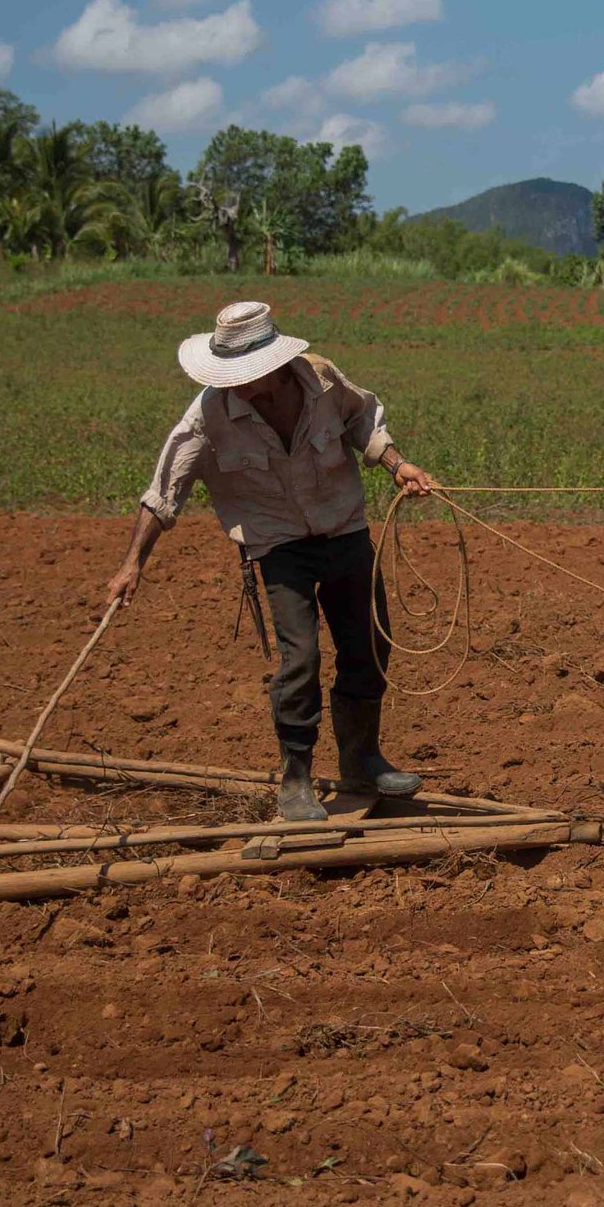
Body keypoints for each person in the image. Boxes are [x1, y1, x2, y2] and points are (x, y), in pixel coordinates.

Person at [105, 300, 440, 819]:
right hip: (280, 545)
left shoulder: (323, 380)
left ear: (272, 367)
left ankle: (362, 759)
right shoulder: (209, 414)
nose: (233, 383)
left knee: (368, 647)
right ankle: (297, 779)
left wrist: (396, 464)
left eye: (242, 374)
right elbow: (164, 491)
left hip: (344, 529)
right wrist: (132, 565)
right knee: (300, 658)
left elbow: (362, 420)